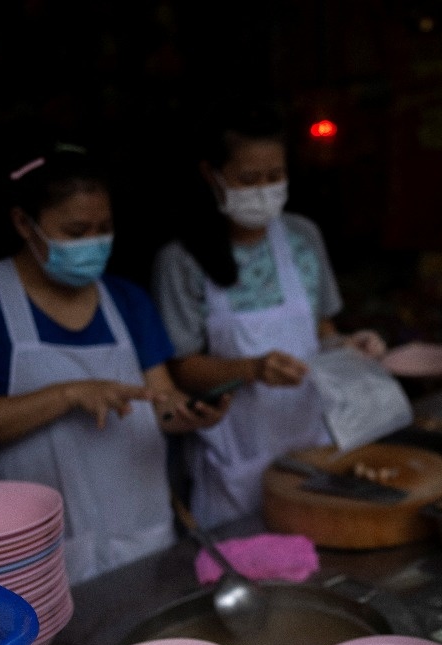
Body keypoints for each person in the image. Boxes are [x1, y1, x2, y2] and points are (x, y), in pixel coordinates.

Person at [0, 143, 228, 585]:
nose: (94, 244)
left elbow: (159, 402)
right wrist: (68, 394)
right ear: (23, 223)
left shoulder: (128, 302)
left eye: (104, 229)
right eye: (76, 230)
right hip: (35, 558)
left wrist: (191, 413)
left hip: (140, 540)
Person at [151, 100, 387, 530]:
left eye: (274, 177)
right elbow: (181, 371)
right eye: (248, 179)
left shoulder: (302, 237)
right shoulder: (182, 261)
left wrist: (348, 348)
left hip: (313, 443)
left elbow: (322, 331)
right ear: (212, 175)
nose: (263, 189)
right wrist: (253, 369)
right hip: (233, 457)